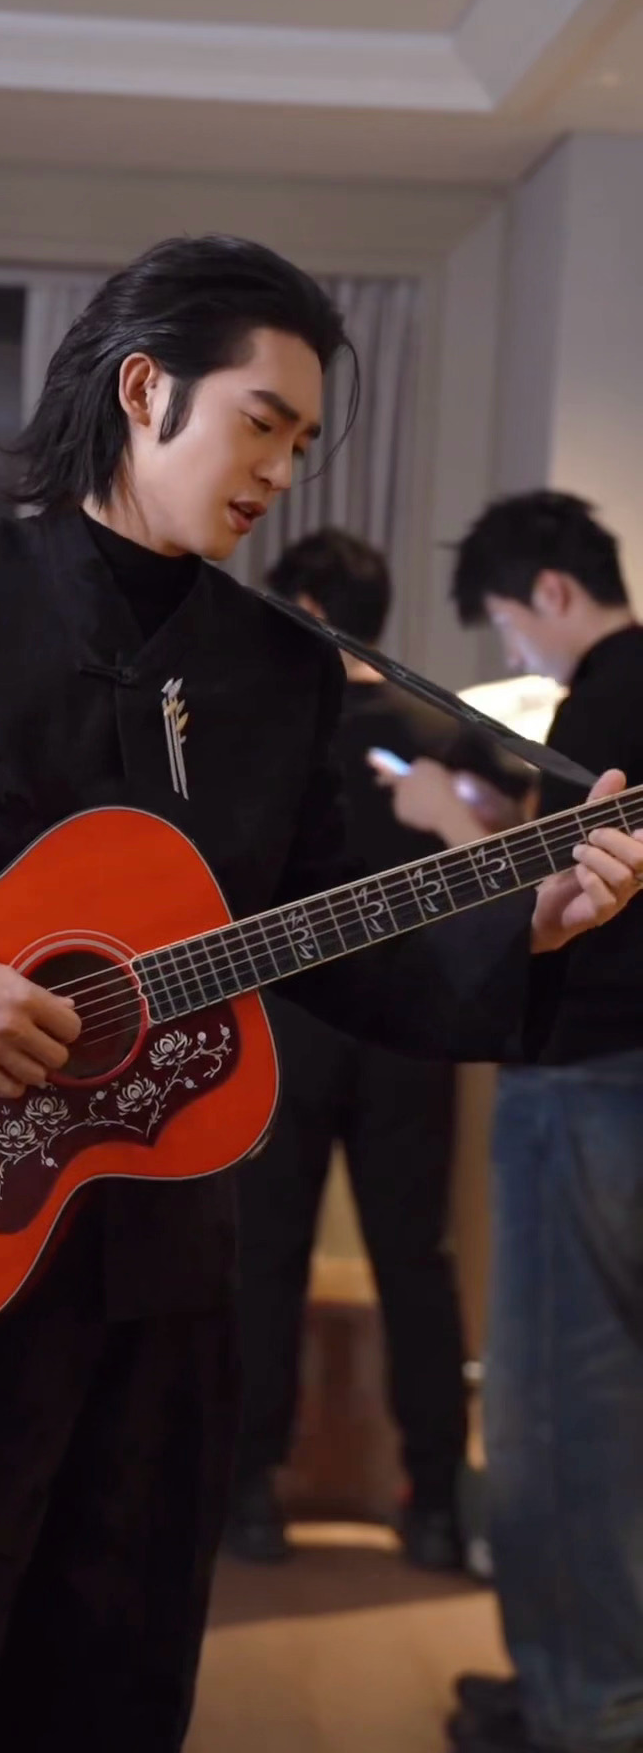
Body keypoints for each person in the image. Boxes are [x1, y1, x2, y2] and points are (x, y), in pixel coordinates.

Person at [0, 247, 643, 1753]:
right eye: (262, 422)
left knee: (114, 1690)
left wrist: (528, 928)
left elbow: (329, 937)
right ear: (145, 389)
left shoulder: (282, 671)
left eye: (302, 441)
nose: (281, 471)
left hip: (165, 1276)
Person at [381, 492, 643, 1753]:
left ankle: (581, 1706)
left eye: (507, 624)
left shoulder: (606, 693)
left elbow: (561, 895)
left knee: (556, 1409)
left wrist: (444, 817)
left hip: (585, 1075)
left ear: (548, 592)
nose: (518, 651)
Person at [228, 527, 529, 1573]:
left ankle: (250, 1496)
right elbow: (509, 827)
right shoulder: (442, 725)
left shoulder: (264, 727)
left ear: (308, 610)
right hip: (415, 1029)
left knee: (266, 1255)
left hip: (289, 1026)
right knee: (416, 1260)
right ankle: (435, 1499)